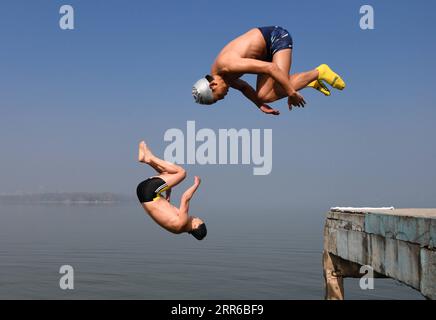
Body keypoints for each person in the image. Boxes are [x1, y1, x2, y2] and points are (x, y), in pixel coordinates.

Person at [192, 25, 345, 115]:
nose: (224, 97)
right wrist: (260, 105)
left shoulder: (227, 65)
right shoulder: (223, 77)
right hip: (265, 56)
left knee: (281, 85)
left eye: (218, 97)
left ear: (213, 86)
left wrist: (291, 92)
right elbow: (244, 87)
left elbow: (270, 68)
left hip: (275, 38)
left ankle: (319, 72)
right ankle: (308, 81)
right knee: (264, 96)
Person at [136, 141, 207, 240]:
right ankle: (147, 160)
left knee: (181, 173)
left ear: (195, 226)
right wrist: (168, 195)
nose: (197, 217)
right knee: (168, 172)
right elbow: (164, 209)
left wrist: (196, 185)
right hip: (144, 195)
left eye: (199, 220)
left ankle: (150, 157)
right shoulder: (178, 229)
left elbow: (185, 198)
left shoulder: (184, 221)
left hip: (149, 192)